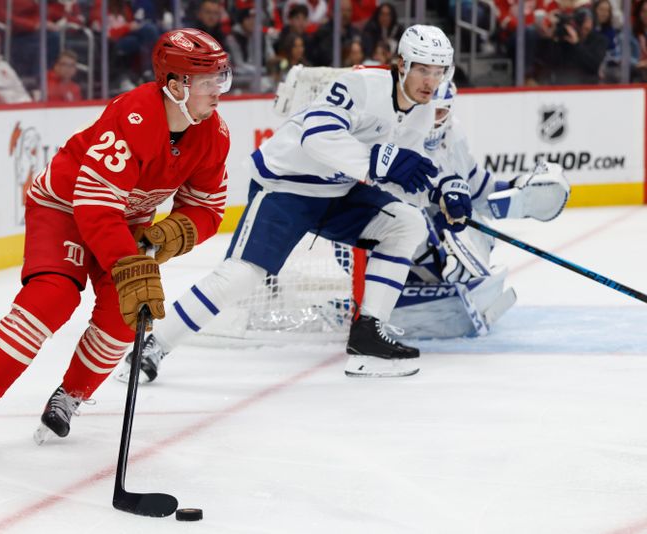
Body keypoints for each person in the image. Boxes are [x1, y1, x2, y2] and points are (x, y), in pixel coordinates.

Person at [0, 28, 232, 460]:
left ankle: (70, 396)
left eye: (220, 79)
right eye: (208, 82)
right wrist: (131, 265)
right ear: (175, 86)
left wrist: (170, 234)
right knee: (52, 296)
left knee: (124, 313)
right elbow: (94, 206)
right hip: (63, 207)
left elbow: (207, 208)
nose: (218, 92)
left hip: (125, 219)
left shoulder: (214, 134)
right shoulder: (134, 116)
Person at [117, 24, 457, 383]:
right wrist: (378, 160)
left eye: (438, 72)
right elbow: (317, 135)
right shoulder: (362, 84)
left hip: (339, 192)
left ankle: (368, 335)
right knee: (243, 275)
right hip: (286, 187)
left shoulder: (422, 111)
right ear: (402, 64)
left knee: (407, 222)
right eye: (422, 69)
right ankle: (155, 346)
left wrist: (444, 191)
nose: (429, 81)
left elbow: (411, 173)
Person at [382, 80, 570, 338]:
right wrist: (437, 242)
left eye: (440, 112)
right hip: (374, 241)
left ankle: (441, 271)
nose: (432, 119)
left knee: (474, 225)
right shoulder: (396, 136)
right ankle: (419, 275)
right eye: (427, 110)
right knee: (432, 227)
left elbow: (477, 189)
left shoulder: (452, 135)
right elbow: (387, 205)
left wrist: (516, 191)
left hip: (425, 235)